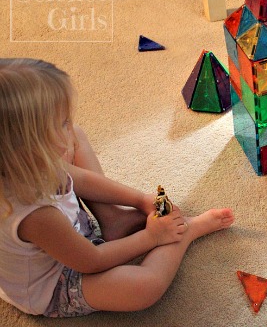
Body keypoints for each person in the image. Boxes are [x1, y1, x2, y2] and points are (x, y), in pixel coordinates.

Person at [0, 58, 235, 317]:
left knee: (76, 136)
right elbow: (91, 260)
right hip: (56, 280)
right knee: (144, 286)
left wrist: (139, 199)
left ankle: (112, 218)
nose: (70, 123)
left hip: (67, 235)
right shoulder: (35, 215)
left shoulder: (23, 162)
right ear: (30, 146)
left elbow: (82, 180)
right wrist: (152, 237)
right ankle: (186, 232)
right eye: (62, 122)